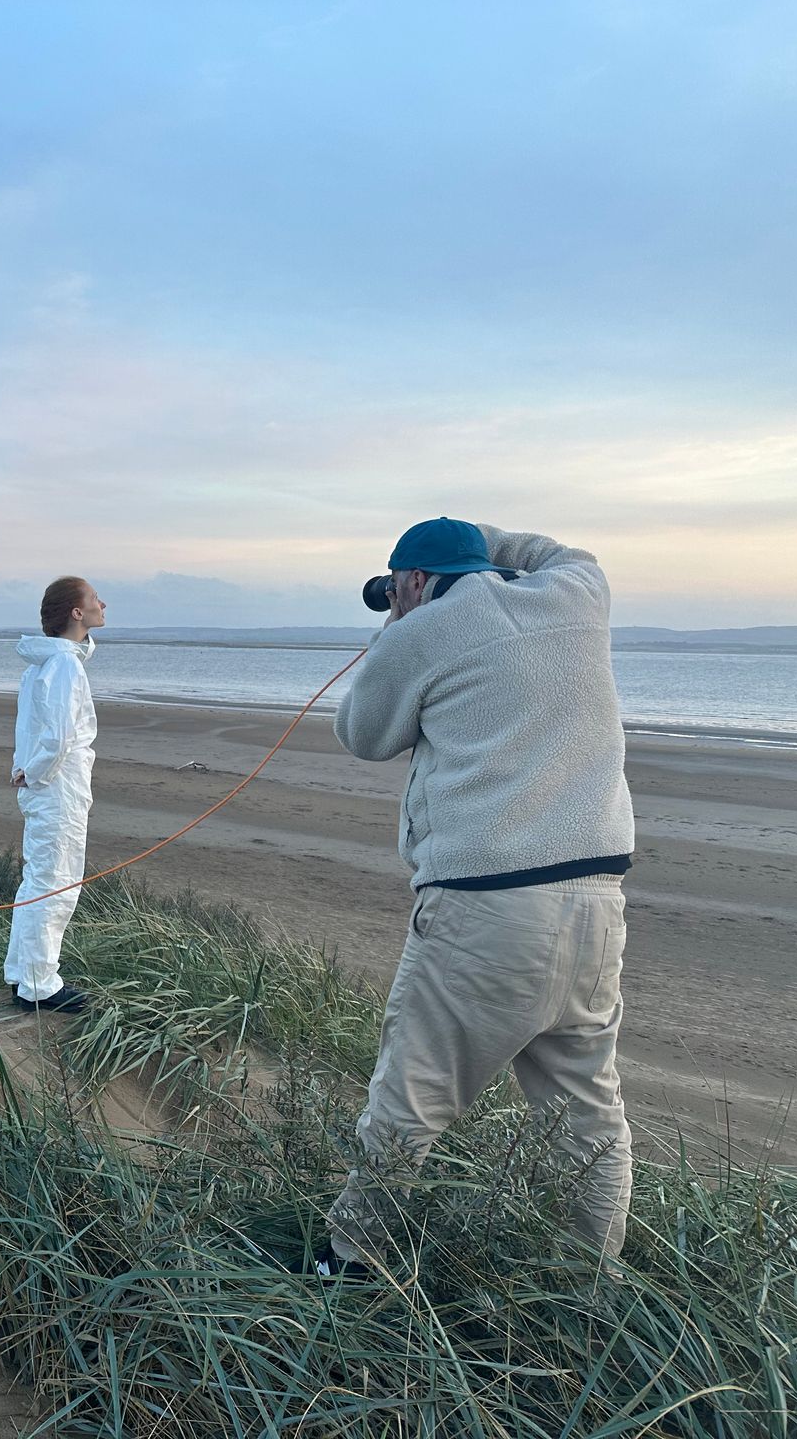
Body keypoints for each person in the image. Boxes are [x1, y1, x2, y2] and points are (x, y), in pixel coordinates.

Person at [324, 517, 635, 1272]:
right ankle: (588, 1287)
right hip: (597, 902)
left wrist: (399, 626)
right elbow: (561, 551)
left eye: (397, 586)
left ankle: (357, 1267)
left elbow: (362, 732)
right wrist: (480, 544)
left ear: (417, 582)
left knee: (413, 1095)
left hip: (484, 908)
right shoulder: (576, 592)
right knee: (588, 1114)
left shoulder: (420, 628)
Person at [4, 576, 107, 1014]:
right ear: (76, 613)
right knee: (57, 884)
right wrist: (36, 774)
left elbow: (32, 729)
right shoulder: (63, 664)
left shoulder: (46, 663)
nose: (104, 604)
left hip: (49, 787)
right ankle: (40, 985)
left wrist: (26, 772)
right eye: (94, 599)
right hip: (58, 789)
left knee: (41, 880)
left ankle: (24, 975)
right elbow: (60, 736)